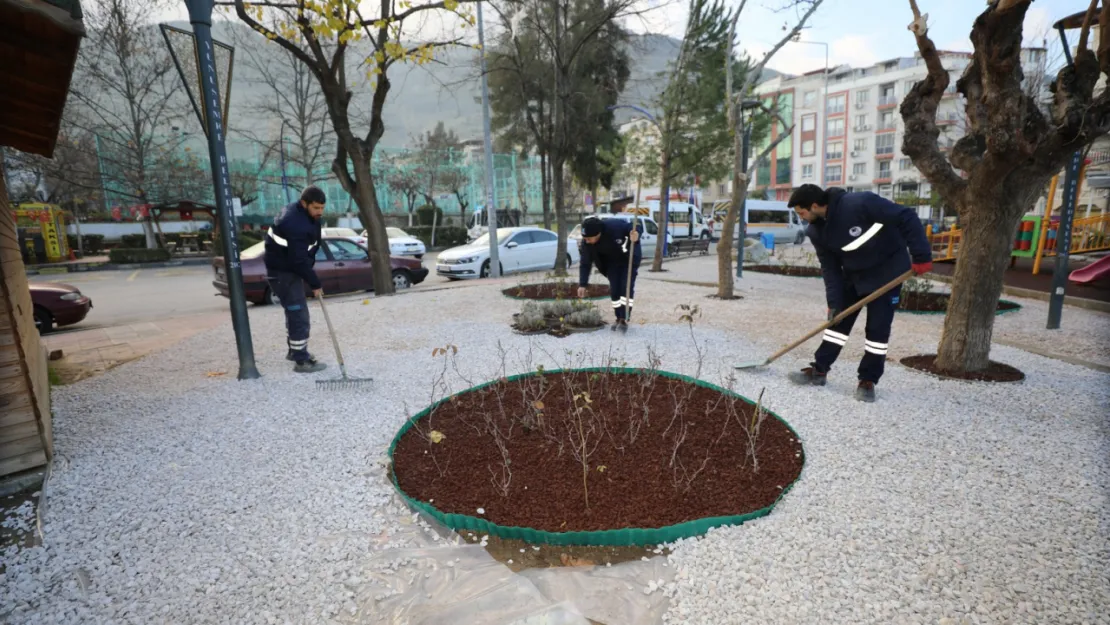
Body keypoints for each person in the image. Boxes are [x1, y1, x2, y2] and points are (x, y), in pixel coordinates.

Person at [786, 184, 933, 402]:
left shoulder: (860, 203)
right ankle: (819, 370)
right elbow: (830, 268)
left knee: (877, 330)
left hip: (888, 273)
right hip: (854, 276)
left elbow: (906, 216)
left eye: (802, 212)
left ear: (815, 205)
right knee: (837, 323)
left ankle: (868, 380)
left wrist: (921, 255)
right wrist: (834, 302)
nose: (802, 218)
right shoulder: (816, 231)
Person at [264, 186, 328, 373]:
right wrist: (315, 283)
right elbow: (298, 260)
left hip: (287, 270)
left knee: (294, 313)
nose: (320, 212)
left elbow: (310, 246)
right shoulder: (294, 224)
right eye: (316, 208)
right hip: (284, 274)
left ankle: (295, 351)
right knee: (299, 315)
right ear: (304, 203)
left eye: (322, 208)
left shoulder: (302, 215)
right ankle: (301, 360)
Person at [576, 215, 642, 332]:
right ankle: (618, 317)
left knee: (625, 287)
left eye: (589, 238)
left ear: (598, 234)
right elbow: (585, 263)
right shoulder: (587, 242)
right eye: (584, 238)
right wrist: (582, 284)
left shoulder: (614, 226)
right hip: (610, 263)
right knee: (615, 290)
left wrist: (636, 233)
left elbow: (634, 225)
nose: (586, 241)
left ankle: (625, 317)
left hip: (628, 260)